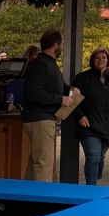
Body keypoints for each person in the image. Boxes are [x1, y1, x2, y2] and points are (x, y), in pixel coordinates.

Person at [71, 47, 109, 186]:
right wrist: (80, 116)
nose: (100, 60)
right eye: (97, 57)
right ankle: (91, 189)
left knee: (100, 157)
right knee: (93, 156)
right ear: (93, 60)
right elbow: (72, 99)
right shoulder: (82, 78)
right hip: (89, 126)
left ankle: (96, 180)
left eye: (103, 57)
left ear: (108, 60)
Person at [22, 30, 73, 182]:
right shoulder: (42, 64)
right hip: (40, 119)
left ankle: (26, 199)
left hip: (41, 119)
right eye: (62, 44)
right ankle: (40, 202)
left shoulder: (48, 64)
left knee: (35, 163)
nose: (63, 47)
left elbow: (59, 86)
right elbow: (33, 92)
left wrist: (70, 90)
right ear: (55, 45)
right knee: (44, 165)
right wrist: (60, 100)